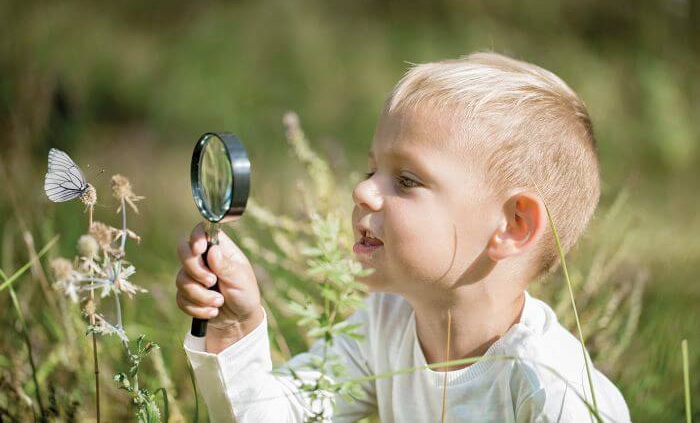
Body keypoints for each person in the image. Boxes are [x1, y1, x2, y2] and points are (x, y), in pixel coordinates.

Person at [175, 51, 632, 422]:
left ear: (514, 226)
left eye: (408, 180)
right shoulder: (385, 325)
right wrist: (233, 328)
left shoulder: (551, 388)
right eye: (371, 169)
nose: (361, 190)